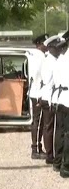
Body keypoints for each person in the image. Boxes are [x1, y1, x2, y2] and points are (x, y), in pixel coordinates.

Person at [40, 34, 63, 165]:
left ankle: (51, 154)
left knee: (50, 127)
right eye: (56, 46)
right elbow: (49, 82)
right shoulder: (50, 61)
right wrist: (50, 101)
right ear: (50, 47)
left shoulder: (53, 60)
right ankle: (50, 155)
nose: (59, 49)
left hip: (49, 96)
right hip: (49, 97)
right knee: (50, 127)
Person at [28, 33, 49, 160]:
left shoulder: (36, 56)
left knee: (38, 121)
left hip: (35, 92)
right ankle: (35, 149)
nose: (46, 46)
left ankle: (37, 148)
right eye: (44, 43)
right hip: (38, 93)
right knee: (38, 121)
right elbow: (37, 77)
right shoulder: (40, 57)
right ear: (39, 44)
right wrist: (41, 95)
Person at [52, 34, 69, 171]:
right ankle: (66, 166)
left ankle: (57, 162)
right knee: (67, 133)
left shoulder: (60, 59)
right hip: (67, 97)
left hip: (61, 97)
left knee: (60, 131)